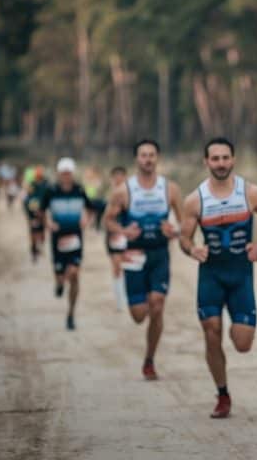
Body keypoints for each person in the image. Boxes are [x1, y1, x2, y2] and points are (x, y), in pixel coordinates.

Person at [178, 137, 257, 419]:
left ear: (233, 160)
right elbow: (184, 238)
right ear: (206, 162)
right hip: (210, 276)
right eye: (215, 158)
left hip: (240, 276)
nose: (220, 163)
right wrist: (192, 249)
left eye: (225, 158)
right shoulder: (195, 200)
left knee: (243, 344)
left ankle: (237, 335)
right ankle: (222, 394)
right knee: (211, 332)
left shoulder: (251, 193)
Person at [104, 139, 183, 380]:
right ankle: (143, 307)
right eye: (143, 155)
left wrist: (175, 230)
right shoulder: (123, 191)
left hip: (160, 255)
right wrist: (123, 232)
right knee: (139, 315)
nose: (147, 159)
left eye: (151, 155)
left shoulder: (170, 189)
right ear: (136, 159)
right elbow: (108, 220)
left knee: (157, 305)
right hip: (134, 256)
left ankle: (149, 359)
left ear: (157, 158)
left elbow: (185, 222)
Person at [41, 157, 94, 330]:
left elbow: (90, 208)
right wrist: (48, 223)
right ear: (58, 174)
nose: (66, 176)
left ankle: (71, 314)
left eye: (68, 173)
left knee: (74, 274)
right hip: (58, 239)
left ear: (72, 173)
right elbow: (41, 211)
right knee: (61, 276)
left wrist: (87, 220)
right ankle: (59, 283)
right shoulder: (51, 191)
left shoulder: (79, 190)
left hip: (76, 238)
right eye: (63, 173)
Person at [105, 166, 129, 310]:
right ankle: (120, 300)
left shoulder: (132, 193)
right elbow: (106, 218)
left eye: (121, 176)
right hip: (114, 235)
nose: (119, 179)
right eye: (116, 177)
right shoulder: (111, 195)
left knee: (128, 265)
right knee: (116, 266)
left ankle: (127, 295)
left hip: (129, 234)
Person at [23, 166, 50, 264]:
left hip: (43, 211)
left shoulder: (46, 184)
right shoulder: (32, 185)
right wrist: (31, 213)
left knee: (42, 232)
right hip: (33, 211)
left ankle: (40, 247)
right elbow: (27, 200)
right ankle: (34, 251)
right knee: (33, 232)